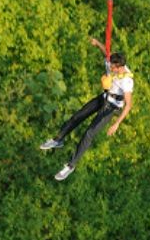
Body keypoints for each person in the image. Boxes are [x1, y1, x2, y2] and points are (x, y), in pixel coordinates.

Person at [40, 37, 134, 181]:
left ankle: (70, 166)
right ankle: (58, 139)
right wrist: (97, 44)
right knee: (78, 116)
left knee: (89, 133)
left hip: (112, 108)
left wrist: (117, 123)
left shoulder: (126, 81)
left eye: (113, 67)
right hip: (104, 98)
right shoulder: (112, 64)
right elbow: (106, 52)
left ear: (120, 67)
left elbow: (128, 105)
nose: (110, 68)